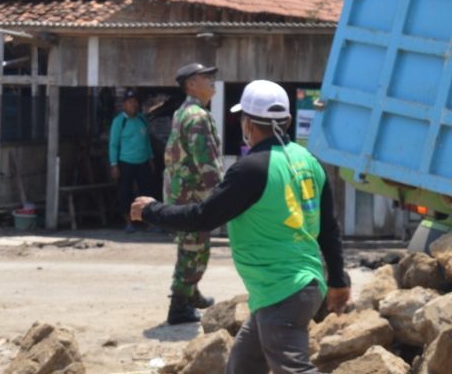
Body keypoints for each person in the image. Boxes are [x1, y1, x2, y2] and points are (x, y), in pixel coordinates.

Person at [132, 80, 350, 373]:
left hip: (283, 291)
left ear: (247, 123)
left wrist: (150, 210)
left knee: (293, 369)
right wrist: (338, 279)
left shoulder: (252, 169)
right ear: (285, 121)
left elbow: (203, 217)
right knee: (243, 365)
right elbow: (329, 229)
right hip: (294, 287)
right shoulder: (309, 161)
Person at [162, 62, 223, 324]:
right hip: (193, 196)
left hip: (182, 194)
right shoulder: (197, 116)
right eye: (205, 77)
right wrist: (221, 197)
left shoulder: (184, 112)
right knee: (195, 250)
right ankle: (179, 306)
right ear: (191, 85)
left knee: (190, 247)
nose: (212, 80)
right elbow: (207, 164)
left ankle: (191, 293)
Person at [109, 89, 156, 233]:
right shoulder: (119, 122)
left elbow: (147, 141)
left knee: (147, 192)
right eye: (130, 102)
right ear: (124, 105)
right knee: (125, 192)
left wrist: (151, 159)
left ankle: (150, 222)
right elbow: (113, 144)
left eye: (135, 102)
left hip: (143, 161)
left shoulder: (142, 119)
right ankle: (128, 222)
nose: (133, 105)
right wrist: (114, 165)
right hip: (125, 162)